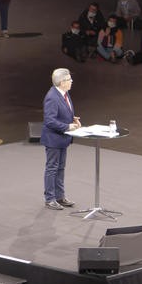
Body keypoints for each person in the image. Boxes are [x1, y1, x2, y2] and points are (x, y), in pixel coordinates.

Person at [41, 67, 79, 210]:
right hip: (53, 139)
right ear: (62, 82)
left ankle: (59, 196)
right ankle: (50, 199)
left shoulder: (64, 93)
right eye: (69, 79)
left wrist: (72, 119)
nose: (71, 81)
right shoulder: (52, 97)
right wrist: (68, 126)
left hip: (62, 139)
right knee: (52, 168)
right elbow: (49, 120)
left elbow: (62, 112)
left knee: (60, 168)